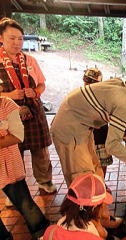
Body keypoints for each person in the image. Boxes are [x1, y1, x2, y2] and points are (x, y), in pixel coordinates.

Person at [51, 70, 126, 187]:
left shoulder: (123, 85)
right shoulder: (125, 102)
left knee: (95, 171)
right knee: (83, 181)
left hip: (81, 125)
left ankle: (97, 198)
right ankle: (83, 204)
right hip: (69, 128)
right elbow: (112, 146)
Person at [0, 17, 56, 193]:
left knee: (40, 149)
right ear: (1, 38)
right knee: (13, 152)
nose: (17, 42)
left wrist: (36, 91)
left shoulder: (29, 60)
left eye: (20, 38)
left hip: (33, 111)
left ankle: (45, 181)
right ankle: (15, 190)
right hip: (8, 114)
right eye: (12, 38)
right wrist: (9, 95)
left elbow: (42, 84)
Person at [0, 86, 50, 239]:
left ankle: (42, 233)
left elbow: (17, 136)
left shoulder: (6, 105)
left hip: (8, 163)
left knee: (24, 202)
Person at [43, 173, 113, 240]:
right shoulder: (94, 237)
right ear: (94, 208)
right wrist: (104, 235)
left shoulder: (50, 232)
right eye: (103, 205)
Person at [82, 68, 113, 178]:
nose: (89, 85)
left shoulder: (105, 97)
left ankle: (102, 184)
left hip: (101, 137)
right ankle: (92, 186)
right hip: (85, 138)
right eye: (87, 81)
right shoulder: (79, 96)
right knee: (87, 164)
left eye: (93, 82)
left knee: (102, 163)